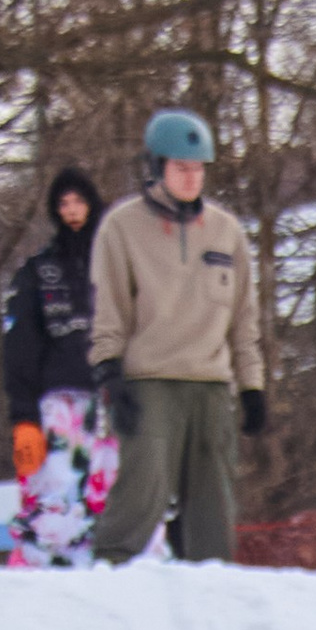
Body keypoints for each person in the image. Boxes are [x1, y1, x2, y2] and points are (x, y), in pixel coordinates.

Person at [89, 109, 265, 563]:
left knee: (213, 505)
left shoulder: (226, 232)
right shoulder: (121, 227)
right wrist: (109, 374)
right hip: (150, 380)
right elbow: (109, 308)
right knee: (141, 489)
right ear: (156, 168)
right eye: (181, 168)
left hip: (210, 383)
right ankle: (109, 570)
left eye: (199, 169)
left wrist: (252, 386)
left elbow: (244, 317)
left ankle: (211, 584)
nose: (192, 178)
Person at [1, 164, 114, 568]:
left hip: (116, 396)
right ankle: (45, 573)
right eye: (63, 203)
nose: (72, 211)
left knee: (114, 494)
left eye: (78, 201)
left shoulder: (117, 263)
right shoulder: (38, 271)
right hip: (61, 402)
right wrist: (23, 416)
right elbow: (19, 346)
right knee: (57, 497)